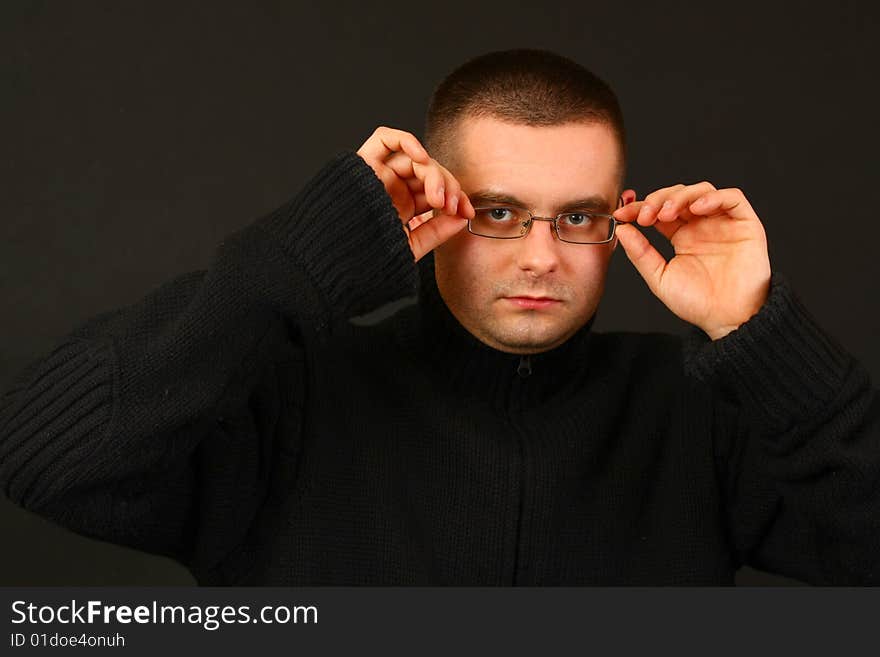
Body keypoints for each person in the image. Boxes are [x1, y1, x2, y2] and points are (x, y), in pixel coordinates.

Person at [0, 49, 877, 586]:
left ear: (620, 220)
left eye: (578, 216)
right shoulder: (289, 399)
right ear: (435, 209)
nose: (541, 257)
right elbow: (43, 457)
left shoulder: (695, 412)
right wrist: (306, 252)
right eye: (498, 212)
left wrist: (761, 332)